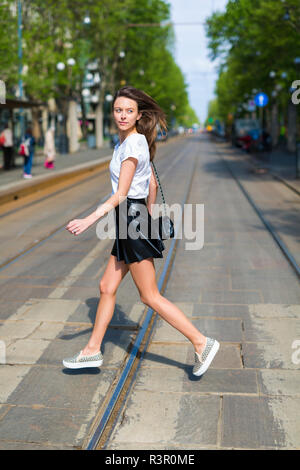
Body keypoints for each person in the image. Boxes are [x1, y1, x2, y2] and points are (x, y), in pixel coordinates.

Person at [62, 86, 219, 377]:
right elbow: (152, 186)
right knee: (106, 287)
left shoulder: (133, 144)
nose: (122, 115)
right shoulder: (128, 143)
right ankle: (91, 350)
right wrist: (145, 218)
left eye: (129, 111)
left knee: (149, 296)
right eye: (118, 110)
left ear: (138, 114)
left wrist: (90, 219)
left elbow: (121, 194)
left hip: (130, 220)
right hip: (132, 221)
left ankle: (202, 342)